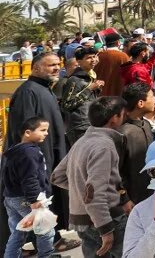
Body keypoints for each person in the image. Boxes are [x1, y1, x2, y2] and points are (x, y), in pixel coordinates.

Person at [3, 52, 79, 255]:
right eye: (51, 65)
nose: (56, 68)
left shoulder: (44, 89)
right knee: (35, 209)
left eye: (58, 64)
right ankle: (43, 247)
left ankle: (44, 243)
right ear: (36, 68)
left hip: (47, 159)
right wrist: (36, 160)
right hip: (33, 163)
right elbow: (25, 131)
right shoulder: (28, 92)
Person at [52, 96, 132, 258]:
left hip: (82, 221)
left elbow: (57, 176)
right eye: (123, 114)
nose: (125, 118)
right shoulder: (104, 145)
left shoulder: (82, 141)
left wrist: (83, 190)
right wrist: (106, 229)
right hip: (106, 219)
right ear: (114, 118)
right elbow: (95, 193)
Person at [2, 117, 55, 258]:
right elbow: (29, 178)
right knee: (46, 230)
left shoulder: (16, 151)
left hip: (11, 198)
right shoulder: (29, 153)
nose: (46, 133)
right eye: (42, 130)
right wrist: (34, 200)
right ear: (27, 132)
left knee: (17, 233)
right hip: (26, 199)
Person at [119, 82, 155, 206]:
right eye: (151, 96)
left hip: (151, 191)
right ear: (140, 103)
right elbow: (114, 171)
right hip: (133, 199)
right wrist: (124, 199)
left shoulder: (146, 125)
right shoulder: (123, 133)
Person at [60, 46, 104, 145]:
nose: (93, 60)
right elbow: (66, 105)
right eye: (89, 58)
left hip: (91, 122)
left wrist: (96, 89)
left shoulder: (91, 76)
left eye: (94, 56)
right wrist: (89, 89)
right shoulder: (74, 79)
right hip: (80, 126)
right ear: (79, 61)